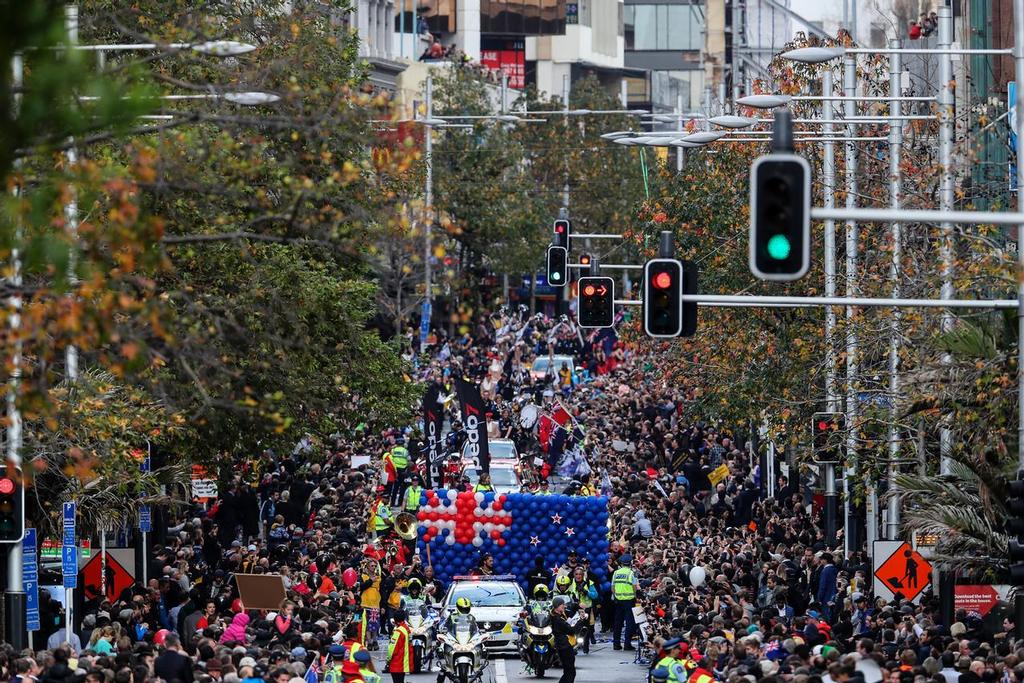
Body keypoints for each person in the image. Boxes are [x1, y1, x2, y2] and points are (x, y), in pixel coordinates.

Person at [611, 553, 639, 650]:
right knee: (629, 623)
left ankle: (616, 644)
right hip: (629, 601)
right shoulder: (632, 573)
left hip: (618, 601)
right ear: (630, 563)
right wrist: (635, 597)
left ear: (621, 563)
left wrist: (616, 596)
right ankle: (627, 644)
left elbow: (613, 587)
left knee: (618, 623)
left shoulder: (616, 573)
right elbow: (634, 587)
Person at [550, 596, 577, 683]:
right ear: (557, 607)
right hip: (564, 647)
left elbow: (570, 613)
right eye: (562, 605)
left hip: (563, 646)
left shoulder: (560, 615)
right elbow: (571, 631)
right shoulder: (557, 619)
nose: (564, 607)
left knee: (568, 672)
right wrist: (581, 621)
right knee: (570, 672)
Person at [387, 609, 413, 683]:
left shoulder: (398, 632)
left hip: (396, 663)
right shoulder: (406, 629)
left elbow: (392, 649)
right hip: (403, 663)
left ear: (395, 619)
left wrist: (388, 659)